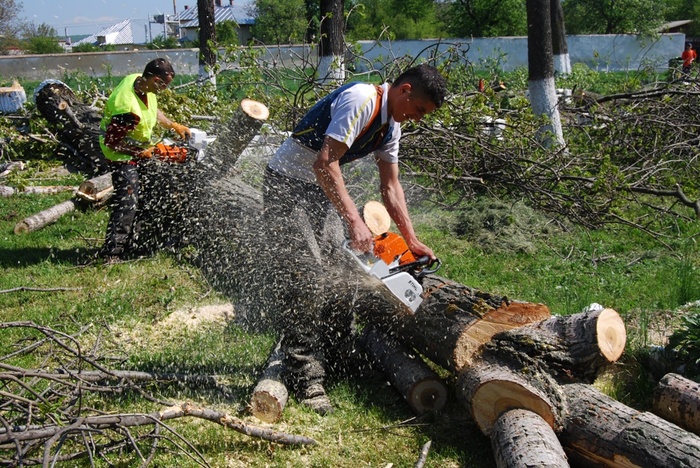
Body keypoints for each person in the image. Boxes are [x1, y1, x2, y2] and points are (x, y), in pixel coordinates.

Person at [262, 64, 447, 414]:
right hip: (287, 184)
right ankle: (307, 378)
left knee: (342, 269)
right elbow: (325, 162)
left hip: (318, 190)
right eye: (419, 109)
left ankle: (339, 355)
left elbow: (390, 187)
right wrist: (353, 219)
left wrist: (411, 239)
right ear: (404, 90)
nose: (417, 118)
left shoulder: (391, 126)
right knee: (306, 278)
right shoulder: (361, 99)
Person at [98, 58, 190, 262]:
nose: (165, 90)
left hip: (139, 148)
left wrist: (172, 124)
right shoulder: (126, 107)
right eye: (164, 85)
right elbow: (112, 142)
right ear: (156, 79)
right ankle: (112, 253)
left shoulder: (139, 81)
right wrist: (141, 153)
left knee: (153, 191)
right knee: (127, 200)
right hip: (121, 154)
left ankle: (138, 242)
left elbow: (154, 110)